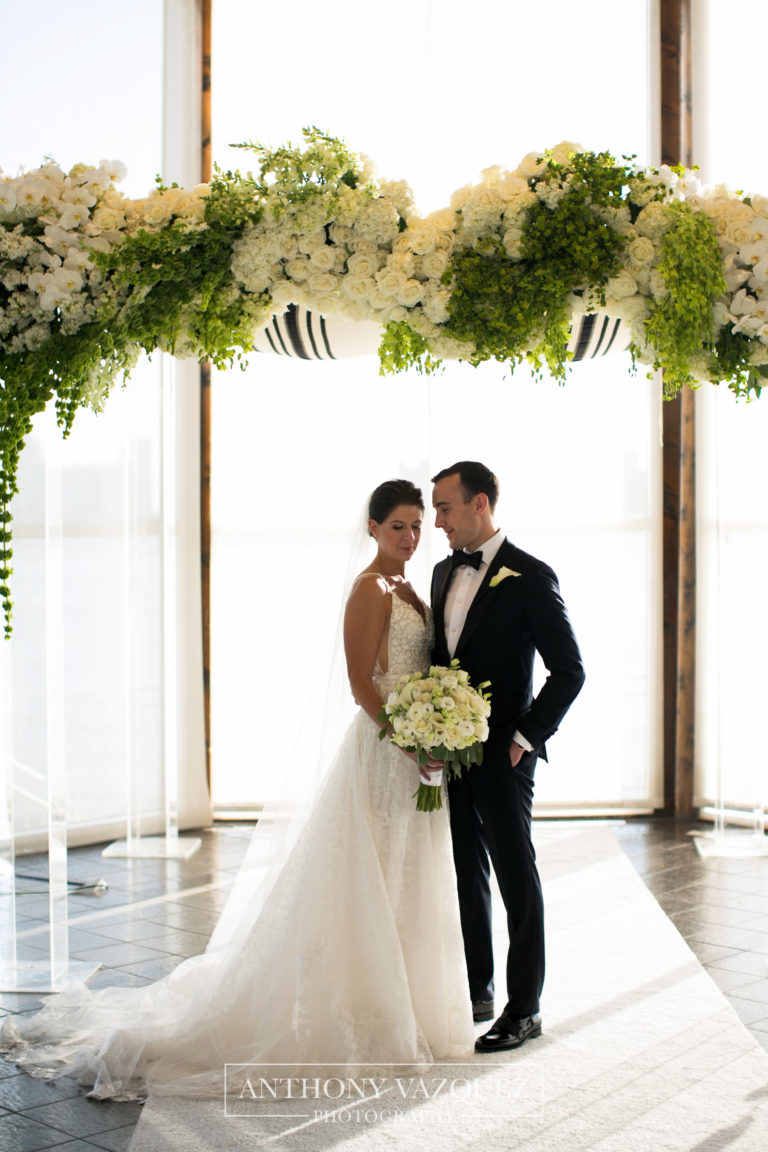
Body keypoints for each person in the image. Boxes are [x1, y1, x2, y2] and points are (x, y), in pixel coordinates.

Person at [0, 479, 474, 1099]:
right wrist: (406, 737)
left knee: (406, 878)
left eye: (416, 526)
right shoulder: (368, 589)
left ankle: (410, 1006)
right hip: (384, 753)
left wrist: (436, 729)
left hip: (416, 757)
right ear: (372, 528)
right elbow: (362, 684)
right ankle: (363, 1011)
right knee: (370, 879)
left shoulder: (411, 587)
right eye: (397, 527)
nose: (410, 537)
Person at [430, 461, 585, 1053]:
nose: (437, 522)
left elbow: (569, 671)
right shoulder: (443, 572)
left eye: (445, 508)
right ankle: (478, 989)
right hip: (452, 751)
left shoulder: (531, 576)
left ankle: (525, 1009)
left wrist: (524, 739)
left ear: (480, 504)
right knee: (466, 870)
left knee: (516, 874)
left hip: (505, 756)